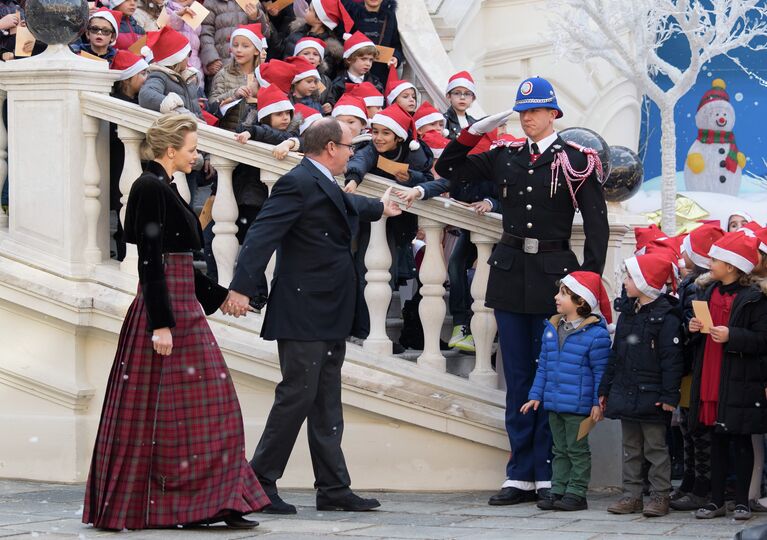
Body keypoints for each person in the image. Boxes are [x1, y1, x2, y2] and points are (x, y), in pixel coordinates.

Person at [82, 114, 270, 531]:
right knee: (189, 415)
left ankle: (214, 501)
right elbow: (151, 261)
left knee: (200, 414)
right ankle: (199, 503)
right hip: (166, 312)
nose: (196, 154)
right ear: (171, 150)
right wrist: (160, 325)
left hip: (180, 305)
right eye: (191, 148)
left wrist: (221, 299)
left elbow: (180, 262)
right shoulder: (149, 186)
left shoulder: (163, 185)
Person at [436, 76, 609, 506]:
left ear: (553, 114)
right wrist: (472, 133)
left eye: (535, 110)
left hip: (558, 284)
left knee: (554, 379)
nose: (527, 118)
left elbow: (598, 227)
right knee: (517, 378)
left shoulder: (576, 161)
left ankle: (549, 473)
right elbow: (449, 170)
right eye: (522, 111)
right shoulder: (504, 155)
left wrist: (587, 286)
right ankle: (519, 475)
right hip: (511, 275)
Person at [223, 117, 402, 514]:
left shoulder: (318, 179)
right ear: (330, 148)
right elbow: (261, 235)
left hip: (327, 308)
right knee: (296, 397)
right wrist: (240, 287)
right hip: (303, 309)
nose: (354, 152)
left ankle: (334, 488)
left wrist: (379, 208)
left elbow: (341, 203)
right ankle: (258, 483)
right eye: (350, 145)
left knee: (325, 401)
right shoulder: (297, 181)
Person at [687, 232, 767, 520]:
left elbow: (762, 339)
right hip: (712, 372)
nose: (710, 262)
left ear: (732, 266)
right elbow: (698, 334)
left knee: (741, 440)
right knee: (716, 437)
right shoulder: (708, 292)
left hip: (739, 377)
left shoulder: (754, 298)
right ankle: (716, 499)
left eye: (715, 258)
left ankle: (743, 500)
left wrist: (733, 335)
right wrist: (694, 328)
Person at [599, 253, 683, 518]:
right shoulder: (627, 314)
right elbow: (615, 354)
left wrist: (670, 395)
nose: (624, 282)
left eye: (630, 277)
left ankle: (660, 495)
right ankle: (631, 495)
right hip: (625, 390)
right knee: (631, 447)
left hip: (653, 394)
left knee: (656, 448)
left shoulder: (666, 317)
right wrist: (605, 389)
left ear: (646, 282)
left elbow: (672, 360)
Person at [521, 271, 612, 511]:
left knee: (577, 450)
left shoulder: (596, 335)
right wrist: (535, 395)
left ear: (581, 301)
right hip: (554, 403)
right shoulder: (552, 328)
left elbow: (600, 373)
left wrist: (597, 403)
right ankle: (558, 489)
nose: (556, 297)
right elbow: (544, 367)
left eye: (564, 293)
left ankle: (577, 493)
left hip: (579, 406)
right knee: (559, 450)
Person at [668, 224, 724, 512]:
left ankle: (700, 485)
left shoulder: (696, 286)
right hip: (692, 367)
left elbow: (692, 328)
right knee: (691, 427)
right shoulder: (692, 283)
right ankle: (691, 480)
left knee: (697, 428)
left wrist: (685, 332)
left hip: (694, 367)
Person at [341, 0, 401, 82]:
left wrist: (395, 57)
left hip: (381, 75)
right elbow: (341, 39)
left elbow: (395, 44)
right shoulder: (351, 12)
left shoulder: (389, 14)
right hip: (354, 75)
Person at [326, 31, 384, 107]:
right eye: (363, 59)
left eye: (371, 60)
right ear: (349, 59)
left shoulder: (376, 84)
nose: (368, 63)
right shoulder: (338, 84)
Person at [443, 71, 477, 140]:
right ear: (448, 96)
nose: (462, 97)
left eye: (467, 94)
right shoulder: (442, 121)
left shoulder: (474, 122)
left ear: (473, 98)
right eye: (457, 93)